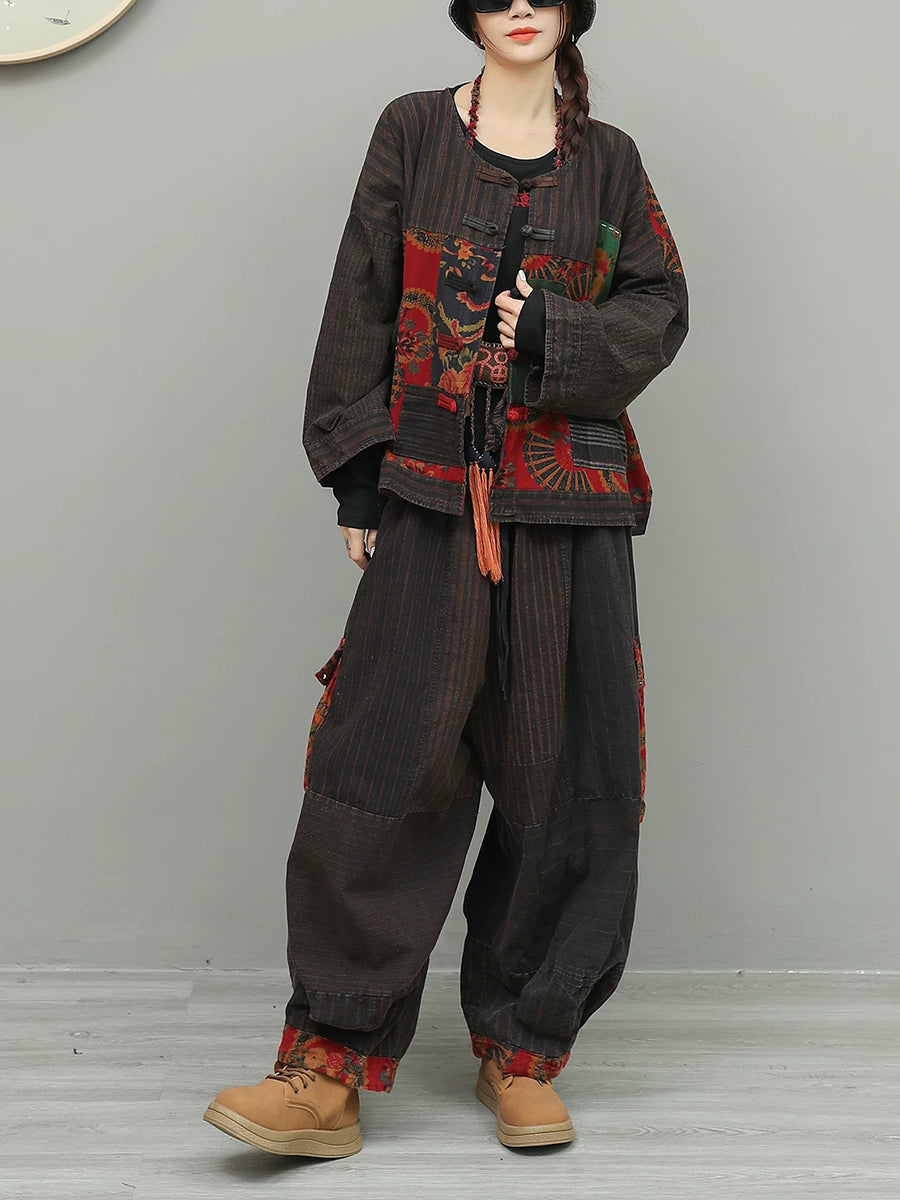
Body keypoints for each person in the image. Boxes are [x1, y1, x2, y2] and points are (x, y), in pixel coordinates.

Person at [204, 0, 688, 1158]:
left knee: (566, 771)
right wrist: (356, 479)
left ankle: (524, 1048)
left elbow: (661, 305)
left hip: (571, 500)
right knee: (383, 758)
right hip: (426, 489)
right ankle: (327, 1062)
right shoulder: (414, 130)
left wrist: (552, 330)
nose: (520, 5)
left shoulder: (611, 161)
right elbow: (362, 292)